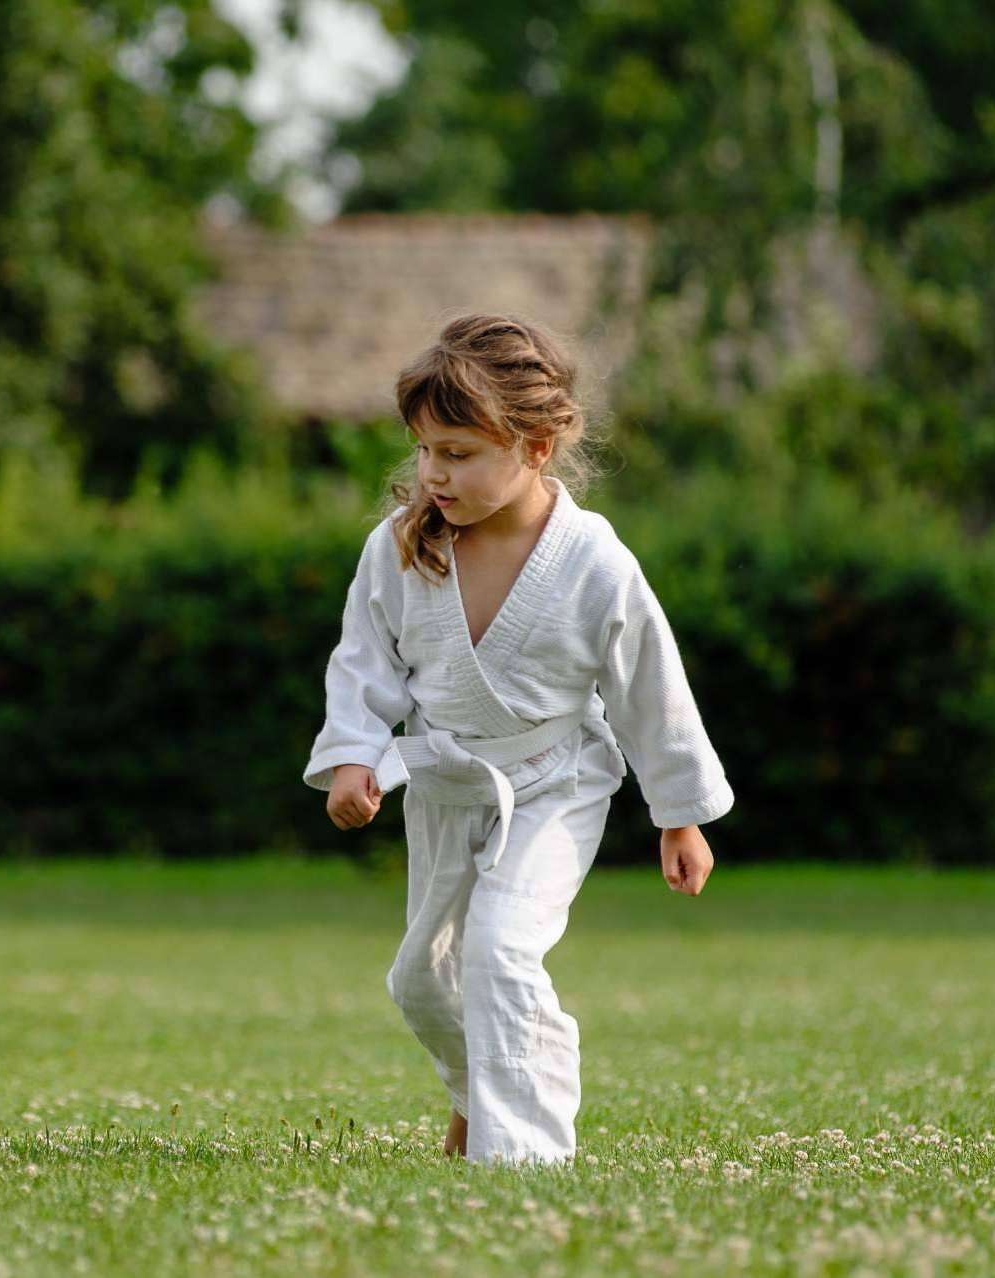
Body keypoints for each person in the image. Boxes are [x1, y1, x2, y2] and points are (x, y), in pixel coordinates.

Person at [305, 314, 732, 1165]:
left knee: (500, 953)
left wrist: (678, 815)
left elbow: (649, 690)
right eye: (424, 450)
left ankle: (521, 1159)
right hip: (447, 788)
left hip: (552, 784)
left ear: (536, 446)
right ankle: (479, 1097)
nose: (433, 473)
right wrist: (354, 756)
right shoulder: (398, 548)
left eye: (457, 453)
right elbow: (362, 667)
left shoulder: (593, 564)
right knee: (421, 982)